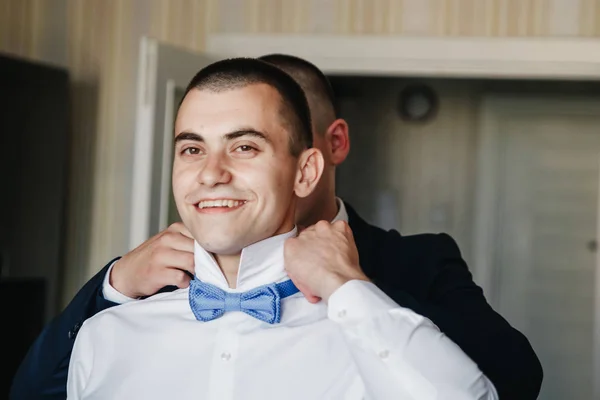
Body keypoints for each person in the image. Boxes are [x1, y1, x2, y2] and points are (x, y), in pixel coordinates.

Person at [10, 54, 543, 400]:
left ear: (308, 164)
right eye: (192, 148)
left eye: (245, 145)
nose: (213, 172)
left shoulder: (388, 304)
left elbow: (510, 377)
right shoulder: (113, 331)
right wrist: (114, 286)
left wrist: (349, 288)